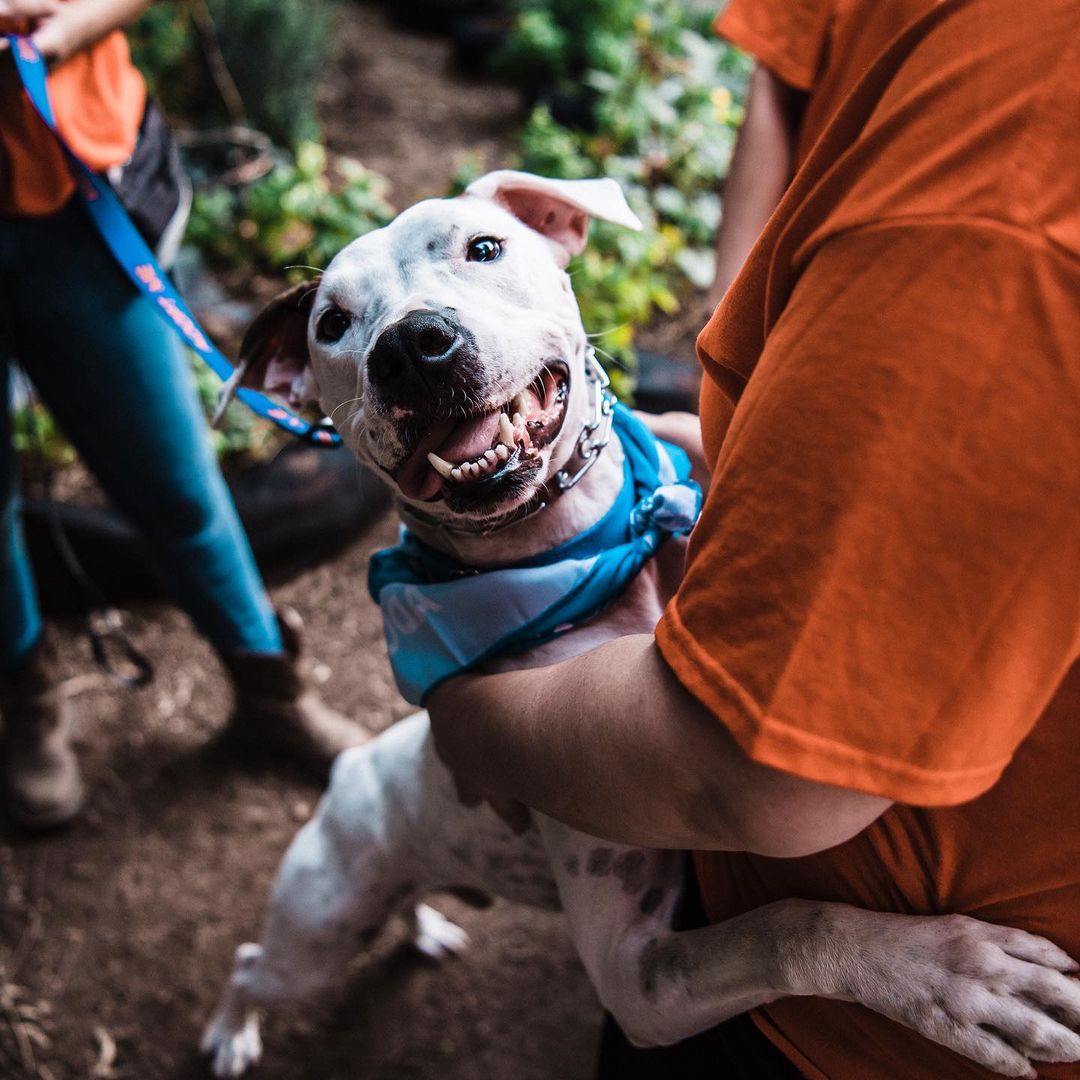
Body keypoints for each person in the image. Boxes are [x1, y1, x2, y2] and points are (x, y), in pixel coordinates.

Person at [427, 0, 1080, 1076]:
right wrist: (766, 389)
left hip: (865, 1031)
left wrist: (470, 722)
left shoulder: (1008, 210)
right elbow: (791, 65)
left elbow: (755, 768)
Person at [0, 0, 367, 830]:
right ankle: (25, 707)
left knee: (174, 479)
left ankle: (269, 687)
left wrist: (68, 23)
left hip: (76, 190)